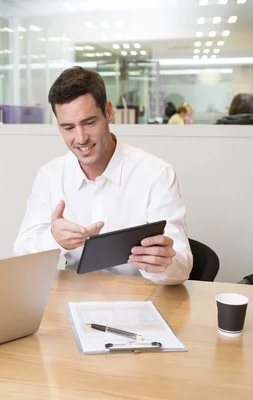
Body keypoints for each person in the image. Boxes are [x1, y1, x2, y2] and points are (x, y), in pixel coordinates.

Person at [13, 67, 192, 285]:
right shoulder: (50, 176)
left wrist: (164, 264)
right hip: (74, 298)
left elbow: (182, 265)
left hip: (140, 297)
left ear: (108, 112)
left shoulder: (156, 174)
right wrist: (54, 239)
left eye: (89, 123)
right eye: (68, 127)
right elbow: (22, 256)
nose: (80, 138)